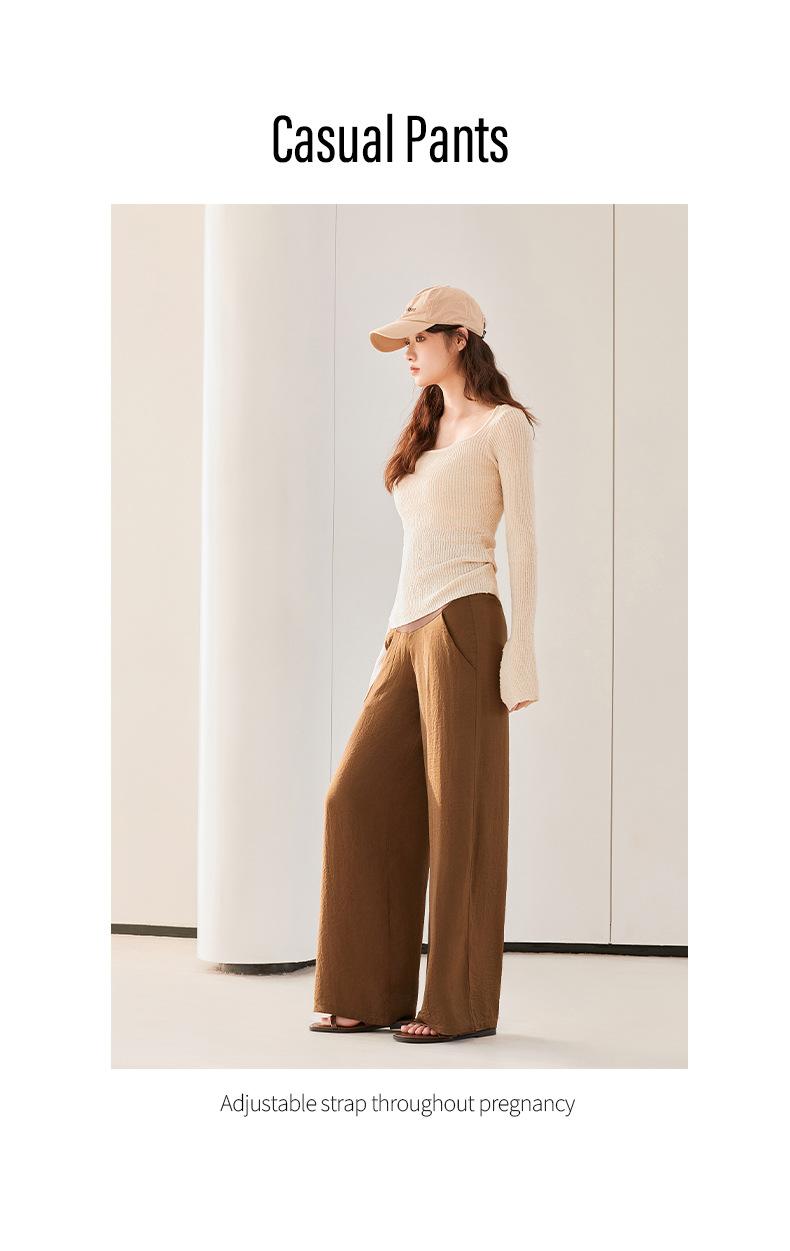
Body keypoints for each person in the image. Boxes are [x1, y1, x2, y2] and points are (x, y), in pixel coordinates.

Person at [310, 285, 539, 1043]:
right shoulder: (427, 426)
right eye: (404, 341)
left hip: (467, 619)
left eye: (418, 338)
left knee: (460, 816)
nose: (408, 351)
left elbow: (524, 542)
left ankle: (456, 1004)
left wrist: (522, 651)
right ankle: (365, 992)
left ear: (460, 338)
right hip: (406, 628)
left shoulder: (504, 425)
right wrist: (393, 635)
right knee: (354, 797)